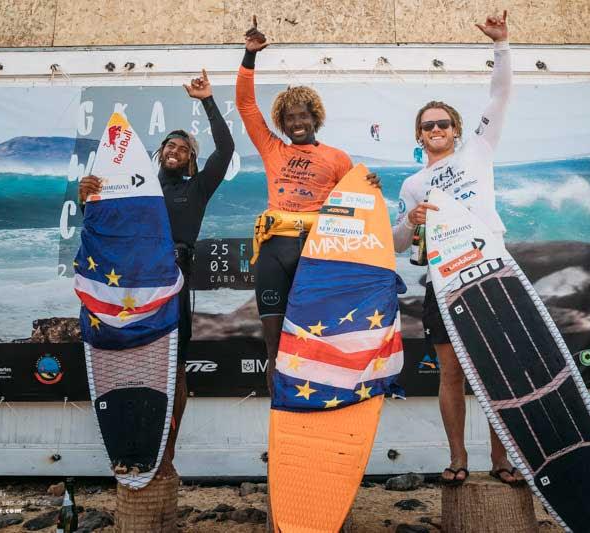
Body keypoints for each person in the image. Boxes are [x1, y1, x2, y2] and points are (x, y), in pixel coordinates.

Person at [392, 10, 524, 486]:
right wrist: (410, 218)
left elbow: (500, 93)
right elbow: (397, 244)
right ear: (419, 134)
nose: (436, 130)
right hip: (442, 280)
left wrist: (502, 44)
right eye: (428, 125)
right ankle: (456, 460)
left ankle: (503, 461)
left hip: (489, 270)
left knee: (499, 374)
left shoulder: (479, 150)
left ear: (457, 128)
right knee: (451, 374)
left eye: (444, 123)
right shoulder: (412, 182)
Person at [78, 69, 235, 469]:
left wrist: (207, 101)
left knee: (174, 366)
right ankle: (132, 444)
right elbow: (108, 226)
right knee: (130, 358)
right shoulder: (139, 191)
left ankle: (167, 449)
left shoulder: (196, 189)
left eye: (183, 147)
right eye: (169, 144)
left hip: (173, 282)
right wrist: (89, 199)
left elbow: (227, 148)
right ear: (159, 151)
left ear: (191, 159)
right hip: (132, 283)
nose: (175, 149)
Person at [237, 17, 380, 395]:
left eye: (303, 115)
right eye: (289, 118)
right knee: (274, 344)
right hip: (274, 251)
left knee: (321, 342)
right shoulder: (272, 149)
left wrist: (371, 189)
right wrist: (249, 57)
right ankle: (280, 420)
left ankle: (318, 414)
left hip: (317, 250)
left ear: (315, 118)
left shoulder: (337, 158)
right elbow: (246, 105)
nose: (297, 122)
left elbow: (356, 210)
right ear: (282, 124)